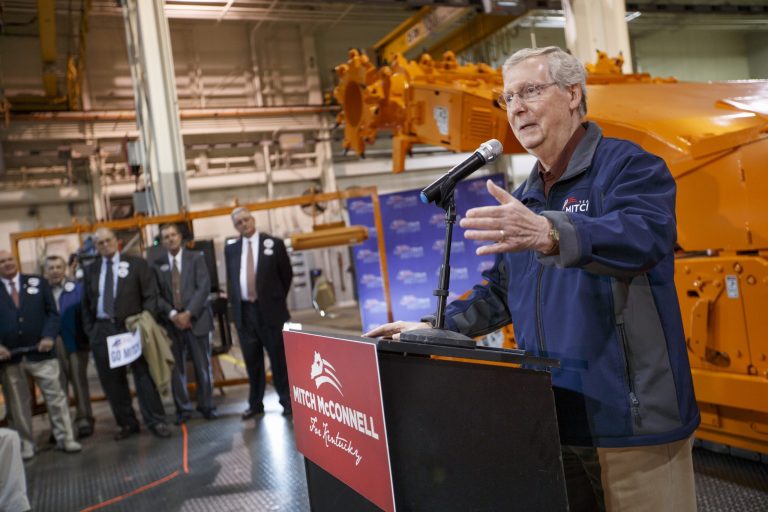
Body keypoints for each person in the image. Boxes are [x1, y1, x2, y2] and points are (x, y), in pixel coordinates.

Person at [365, 46, 700, 512]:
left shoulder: (629, 167)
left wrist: (550, 232)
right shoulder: (526, 197)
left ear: (573, 94)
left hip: (632, 422)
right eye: (508, 97)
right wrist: (435, 327)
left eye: (530, 90)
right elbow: (503, 290)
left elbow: (644, 235)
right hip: (553, 418)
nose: (516, 107)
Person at [81, 228, 171, 440]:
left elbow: (150, 295)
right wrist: (91, 331)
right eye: (100, 243)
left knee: (144, 376)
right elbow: (85, 304)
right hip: (103, 330)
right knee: (112, 381)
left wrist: (145, 322)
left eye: (108, 240)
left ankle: (156, 421)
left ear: (117, 241)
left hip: (132, 327)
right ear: (96, 247)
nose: (105, 245)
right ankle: (127, 423)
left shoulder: (136, 264)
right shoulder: (90, 270)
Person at [0, 250, 81, 459]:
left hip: (42, 353)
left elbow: (52, 314)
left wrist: (48, 337)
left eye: (9, 259)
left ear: (15, 261)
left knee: (56, 398)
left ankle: (66, 438)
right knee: (17, 404)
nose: (7, 263)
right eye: (2, 261)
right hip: (11, 358)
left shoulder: (37, 282)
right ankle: (26, 444)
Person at [225, 207, 293, 418]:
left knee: (278, 360)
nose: (243, 224)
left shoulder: (273, 244)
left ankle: (287, 402)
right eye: (239, 223)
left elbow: (286, 276)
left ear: (253, 220)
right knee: (252, 362)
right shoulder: (231, 249)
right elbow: (231, 281)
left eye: (246, 220)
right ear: (235, 227)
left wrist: (273, 299)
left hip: (271, 312)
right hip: (245, 314)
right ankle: (255, 404)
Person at [152, 224, 217, 424]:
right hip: (171, 325)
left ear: (180, 237)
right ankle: (183, 409)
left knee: (202, 366)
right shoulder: (156, 264)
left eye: (173, 235)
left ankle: (206, 405)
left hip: (196, 320)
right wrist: (173, 315)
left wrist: (188, 313)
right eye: (165, 237)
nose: (170, 239)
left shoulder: (196, 258)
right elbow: (156, 295)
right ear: (161, 242)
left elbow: (203, 287)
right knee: (176, 369)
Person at [44, 255, 95, 438]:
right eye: (51, 268)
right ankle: (61, 426)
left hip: (75, 343)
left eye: (59, 267)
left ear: (65, 268)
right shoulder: (42, 292)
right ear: (45, 271)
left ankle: (84, 420)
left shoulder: (77, 289)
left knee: (79, 382)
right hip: (51, 347)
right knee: (57, 387)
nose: (55, 271)